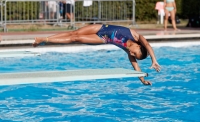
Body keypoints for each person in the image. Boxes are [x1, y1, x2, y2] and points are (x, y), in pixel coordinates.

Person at [32, 24, 161, 85]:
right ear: (139, 46)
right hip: (101, 28)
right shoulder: (136, 36)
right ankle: (43, 39)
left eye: (134, 55)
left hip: (102, 39)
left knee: (76, 39)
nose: (132, 53)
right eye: (135, 52)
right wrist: (154, 60)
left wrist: (142, 80)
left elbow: (135, 67)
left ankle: (45, 40)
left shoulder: (129, 50)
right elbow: (148, 45)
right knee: (74, 33)